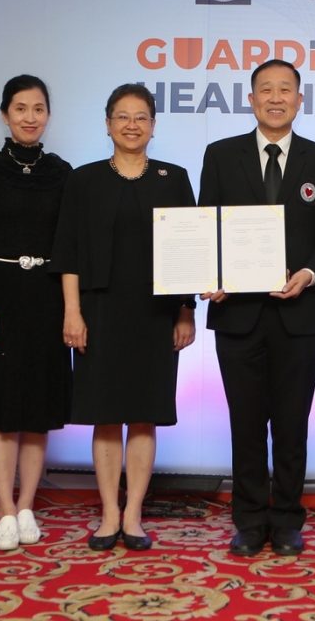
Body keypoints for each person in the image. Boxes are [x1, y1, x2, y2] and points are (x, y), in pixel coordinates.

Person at [198, 58, 315, 557]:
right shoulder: (221, 155)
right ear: (251, 99)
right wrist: (213, 275)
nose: (276, 98)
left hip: (299, 315)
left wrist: (308, 273)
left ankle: (286, 519)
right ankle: (248, 521)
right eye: (266, 89)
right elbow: (207, 226)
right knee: (244, 425)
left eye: (286, 89)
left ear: (300, 100)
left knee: (291, 424)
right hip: (237, 316)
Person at [50, 83, 197, 553]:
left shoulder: (174, 179)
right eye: (122, 116)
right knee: (106, 416)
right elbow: (68, 252)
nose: (132, 125)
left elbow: (191, 252)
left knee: (145, 415)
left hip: (156, 314)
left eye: (141, 117)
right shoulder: (84, 180)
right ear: (107, 123)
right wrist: (72, 312)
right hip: (99, 311)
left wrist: (186, 311)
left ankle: (133, 513)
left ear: (153, 125)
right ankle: (109, 513)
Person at [0, 75, 72, 551]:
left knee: (37, 411)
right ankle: (4, 508)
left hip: (47, 298)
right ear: (4, 114)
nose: (30, 117)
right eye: (20, 108)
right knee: (3, 411)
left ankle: (27, 505)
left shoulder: (62, 171)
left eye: (38, 108)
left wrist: (71, 309)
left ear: (49, 115)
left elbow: (69, 245)